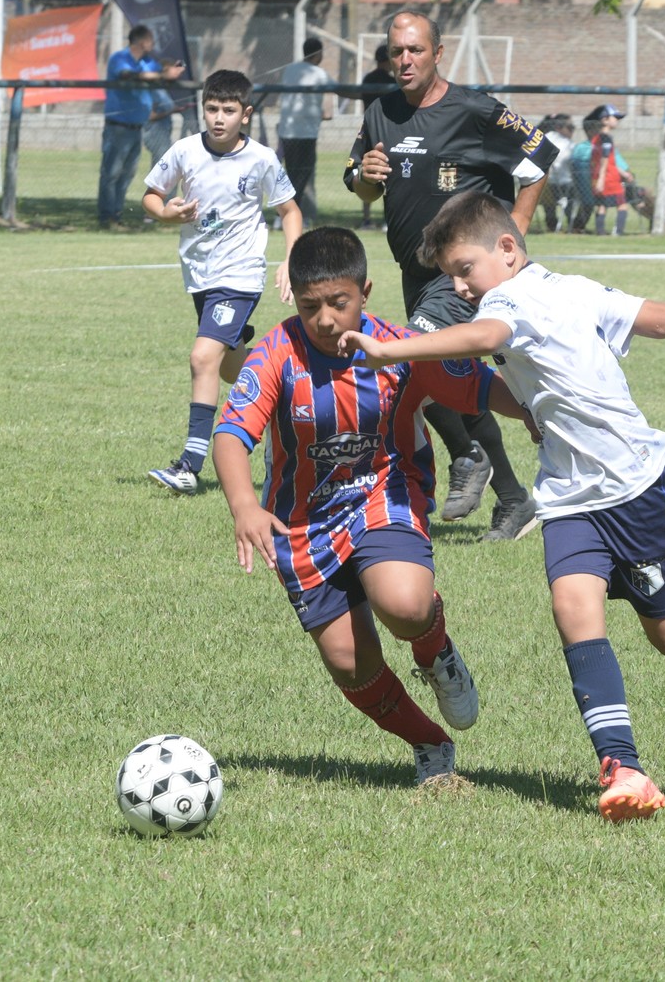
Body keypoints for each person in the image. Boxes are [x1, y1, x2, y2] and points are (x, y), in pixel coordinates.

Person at [338, 191, 665, 822]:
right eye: (450, 277)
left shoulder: (513, 298)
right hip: (568, 494)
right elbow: (656, 318)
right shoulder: (569, 287)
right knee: (573, 608)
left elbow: (486, 336)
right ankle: (622, 767)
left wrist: (396, 350)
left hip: (637, 486)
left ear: (506, 249)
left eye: (463, 269)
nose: (461, 286)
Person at [212, 227, 533, 786]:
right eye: (311, 307)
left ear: (365, 291)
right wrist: (243, 504)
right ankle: (430, 744)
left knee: (405, 606)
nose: (326, 319)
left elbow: (478, 387)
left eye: (339, 303)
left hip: (384, 495)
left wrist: (532, 411)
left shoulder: (399, 349)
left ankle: (437, 654)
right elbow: (231, 434)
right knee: (349, 664)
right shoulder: (276, 352)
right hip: (303, 523)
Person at [344, 10, 559, 540]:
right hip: (414, 271)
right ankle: (512, 497)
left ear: (438, 53)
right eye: (396, 51)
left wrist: (515, 233)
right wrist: (365, 178)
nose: (405, 60)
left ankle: (468, 454)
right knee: (446, 373)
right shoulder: (381, 112)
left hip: (462, 274)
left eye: (415, 50)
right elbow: (360, 181)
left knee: (416, 356)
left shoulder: (475, 110)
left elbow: (540, 155)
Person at [142, 70, 303, 494]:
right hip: (200, 274)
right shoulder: (185, 150)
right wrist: (165, 213)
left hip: (241, 275)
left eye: (228, 111)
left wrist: (291, 260)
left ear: (245, 114)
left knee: (202, 357)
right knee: (232, 365)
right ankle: (288, 399)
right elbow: (151, 194)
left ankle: (190, 464)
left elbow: (290, 211)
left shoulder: (262, 159)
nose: (218, 118)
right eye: (211, 109)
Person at [98, 24, 186, 230]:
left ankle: (117, 216)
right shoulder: (119, 59)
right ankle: (106, 217)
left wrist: (175, 68)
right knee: (111, 174)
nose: (152, 44)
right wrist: (162, 75)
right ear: (141, 41)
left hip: (137, 127)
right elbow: (128, 75)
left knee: (127, 174)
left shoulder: (148, 62)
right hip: (117, 127)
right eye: (150, 40)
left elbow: (164, 68)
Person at [278, 37, 335, 228]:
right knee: (300, 177)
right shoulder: (319, 73)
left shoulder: (289, 70)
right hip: (305, 135)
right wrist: (363, 94)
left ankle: (289, 215)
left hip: (287, 131)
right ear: (318, 53)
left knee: (292, 175)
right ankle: (288, 216)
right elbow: (339, 90)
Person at [357, 44, 395, 228]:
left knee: (368, 175)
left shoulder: (368, 78)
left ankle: (366, 218)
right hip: (390, 132)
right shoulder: (392, 82)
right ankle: (387, 219)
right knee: (388, 176)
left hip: (369, 132)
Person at [588, 103, 631, 236]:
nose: (617, 120)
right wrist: (602, 179)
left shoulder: (595, 138)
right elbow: (604, 159)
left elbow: (608, 160)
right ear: (605, 119)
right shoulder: (606, 138)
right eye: (615, 117)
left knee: (602, 205)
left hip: (599, 176)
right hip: (609, 178)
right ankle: (618, 231)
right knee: (622, 205)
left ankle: (600, 232)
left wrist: (622, 172)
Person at [538, 114, 575, 232]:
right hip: (564, 184)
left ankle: (551, 225)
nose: (572, 131)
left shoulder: (543, 138)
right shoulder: (568, 144)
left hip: (544, 182)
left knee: (548, 200)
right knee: (573, 194)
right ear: (559, 127)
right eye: (570, 128)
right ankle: (574, 225)